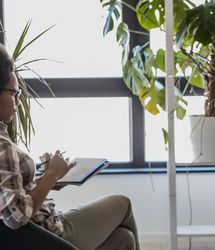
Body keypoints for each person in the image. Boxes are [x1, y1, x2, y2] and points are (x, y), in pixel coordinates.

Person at [0, 43, 140, 250]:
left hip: (45, 227)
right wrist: (51, 176)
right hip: (51, 236)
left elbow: (10, 197)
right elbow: (15, 216)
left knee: (124, 239)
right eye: (14, 94)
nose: (18, 102)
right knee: (123, 203)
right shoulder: (2, 146)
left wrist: (46, 181)